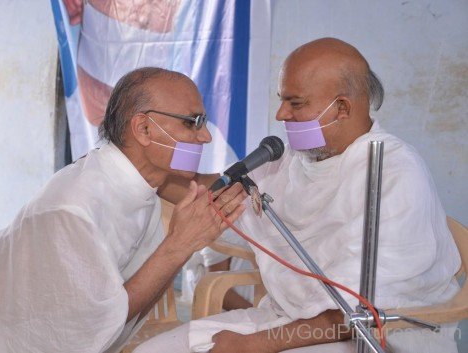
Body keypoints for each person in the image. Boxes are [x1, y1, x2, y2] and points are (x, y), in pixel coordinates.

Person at [135, 38, 462, 353]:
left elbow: (357, 312)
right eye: (282, 99)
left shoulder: (392, 172)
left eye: (295, 103)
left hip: (379, 334)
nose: (281, 114)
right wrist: (145, 168)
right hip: (286, 320)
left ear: (342, 108)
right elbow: (218, 191)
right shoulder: (293, 159)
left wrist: (252, 346)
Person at [0, 67, 247, 353]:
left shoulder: (139, 181)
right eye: (193, 122)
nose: (205, 136)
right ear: (144, 129)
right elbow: (89, 324)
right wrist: (179, 246)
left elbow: (117, 309)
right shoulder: (73, 209)